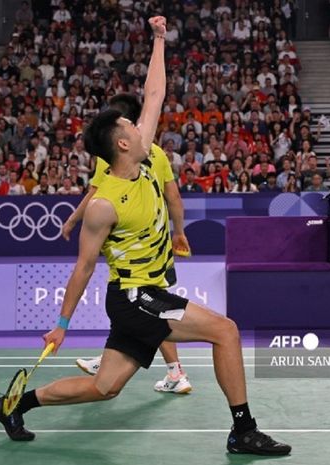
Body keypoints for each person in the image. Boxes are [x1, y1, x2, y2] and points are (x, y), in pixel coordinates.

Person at [0, 18, 289, 455]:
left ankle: (13, 404)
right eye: (129, 127)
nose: (139, 127)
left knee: (105, 387)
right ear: (122, 145)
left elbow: (154, 93)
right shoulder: (104, 204)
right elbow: (84, 267)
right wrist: (61, 325)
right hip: (134, 296)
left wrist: (159, 39)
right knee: (226, 331)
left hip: (144, 294)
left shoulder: (144, 159)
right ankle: (243, 430)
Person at [62, 93, 194, 395]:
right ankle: (119, 358)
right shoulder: (155, 153)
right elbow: (173, 196)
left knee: (148, 311)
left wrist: (73, 219)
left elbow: (96, 194)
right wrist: (179, 231)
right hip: (158, 251)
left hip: (134, 259)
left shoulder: (116, 158)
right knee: (149, 310)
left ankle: (174, 371)